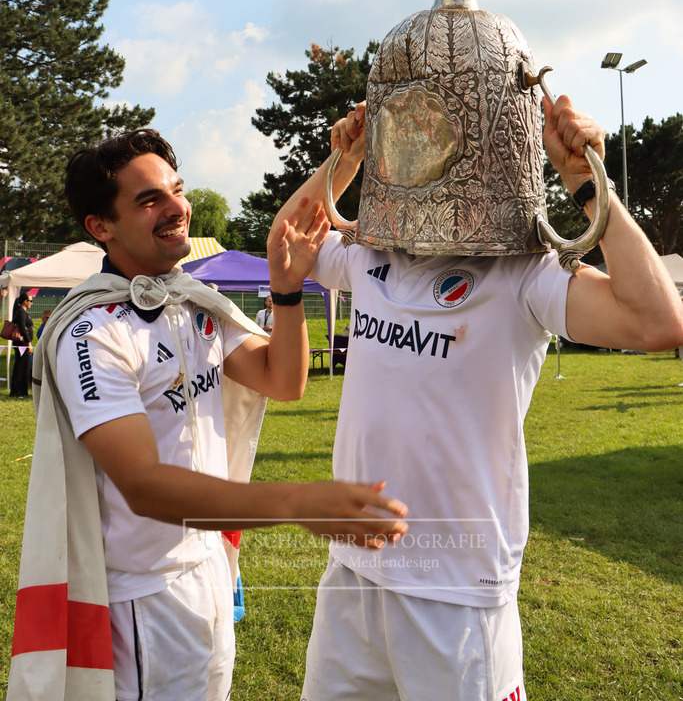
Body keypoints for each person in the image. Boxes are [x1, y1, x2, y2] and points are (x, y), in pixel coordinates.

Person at [274, 96, 683, 701]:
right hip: (353, 571)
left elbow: (658, 323)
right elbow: (289, 238)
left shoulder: (523, 271)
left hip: (457, 590)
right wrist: (346, 157)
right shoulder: (369, 254)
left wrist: (588, 184)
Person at [7, 128, 408, 701]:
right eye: (150, 201)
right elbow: (143, 486)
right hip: (142, 596)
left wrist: (287, 293)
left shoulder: (191, 302)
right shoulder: (90, 331)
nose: (177, 209)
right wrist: (295, 503)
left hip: (209, 570)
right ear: (101, 226)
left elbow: (282, 380)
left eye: (176, 189)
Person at [9, 291, 33, 398]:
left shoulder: (23, 312)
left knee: (25, 368)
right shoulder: (21, 312)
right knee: (20, 368)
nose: (31, 303)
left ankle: (23, 391)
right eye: (30, 301)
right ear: (25, 301)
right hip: (22, 344)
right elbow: (22, 328)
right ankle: (16, 391)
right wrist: (29, 343)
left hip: (24, 344)